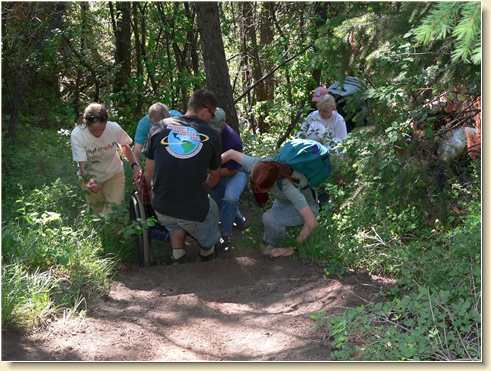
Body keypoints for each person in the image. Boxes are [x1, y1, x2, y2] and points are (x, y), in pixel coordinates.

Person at [144, 89, 222, 263]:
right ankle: (207, 252)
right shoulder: (212, 135)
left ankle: (178, 255)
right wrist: (204, 189)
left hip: (162, 203)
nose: (212, 118)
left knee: (174, 223)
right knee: (212, 209)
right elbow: (215, 176)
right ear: (204, 110)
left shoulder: (158, 127)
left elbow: (148, 172)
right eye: (212, 113)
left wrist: (152, 195)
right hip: (193, 207)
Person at [220, 149, 319, 257]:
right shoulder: (257, 165)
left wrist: (292, 248)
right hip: (283, 201)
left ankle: (277, 244)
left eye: (259, 189)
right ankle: (271, 241)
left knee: (269, 218)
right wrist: (207, 168)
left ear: (271, 185)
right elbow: (230, 153)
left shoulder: (288, 187)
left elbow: (311, 222)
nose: (254, 190)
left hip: (307, 206)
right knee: (271, 220)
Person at [70, 103, 141, 215]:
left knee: (113, 212)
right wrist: (90, 181)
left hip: (114, 174)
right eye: (93, 130)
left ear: (106, 122)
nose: (98, 134)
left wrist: (135, 166)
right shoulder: (77, 135)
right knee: (97, 215)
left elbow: (125, 147)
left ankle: (115, 231)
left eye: (101, 129)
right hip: (91, 176)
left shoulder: (114, 128)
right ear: (86, 124)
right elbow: (82, 165)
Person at [208, 108, 249, 248]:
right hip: (216, 171)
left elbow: (232, 170)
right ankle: (239, 220)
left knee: (230, 198)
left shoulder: (233, 140)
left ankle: (226, 235)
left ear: (222, 123)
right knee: (217, 202)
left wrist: (212, 174)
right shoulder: (205, 132)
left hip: (236, 173)